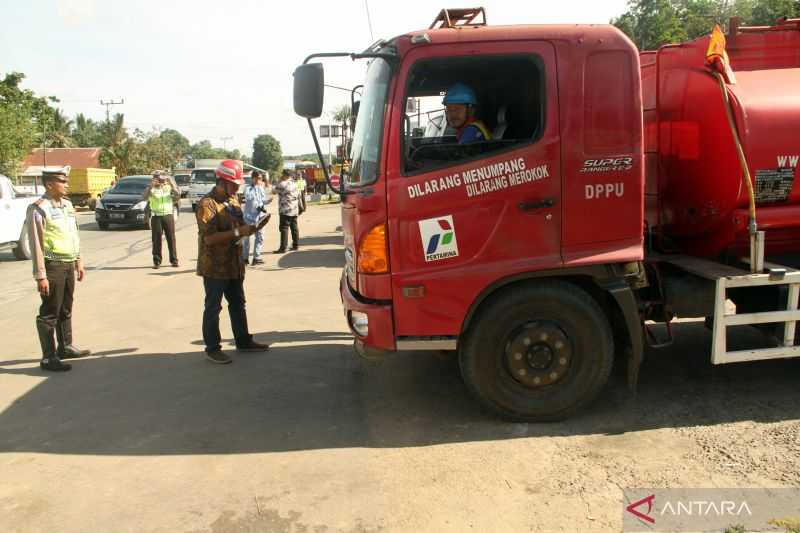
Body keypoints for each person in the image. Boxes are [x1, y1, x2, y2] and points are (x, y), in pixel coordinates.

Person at [195, 159, 270, 364]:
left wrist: (252, 228)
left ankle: (243, 340)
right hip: (215, 267)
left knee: (238, 303)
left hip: (234, 264)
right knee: (213, 307)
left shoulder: (233, 199)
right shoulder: (206, 205)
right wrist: (238, 231)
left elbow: (240, 226)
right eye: (234, 184)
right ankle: (212, 348)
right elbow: (209, 238)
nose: (238, 188)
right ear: (222, 181)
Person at [27, 165, 91, 372]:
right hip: (52, 266)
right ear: (49, 184)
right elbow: (36, 244)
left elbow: (73, 234)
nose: (66, 184)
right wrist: (40, 276)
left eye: (65, 181)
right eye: (62, 181)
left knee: (65, 308)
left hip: (68, 263)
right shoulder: (39, 208)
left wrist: (79, 260)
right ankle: (48, 357)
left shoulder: (67, 205)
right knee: (49, 312)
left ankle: (66, 346)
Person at [143, 170, 180, 269]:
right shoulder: (150, 189)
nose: (159, 180)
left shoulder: (168, 187)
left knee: (171, 239)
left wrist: (171, 183)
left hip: (168, 215)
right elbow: (144, 197)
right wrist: (151, 186)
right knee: (156, 240)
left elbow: (177, 196)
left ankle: (174, 260)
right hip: (156, 217)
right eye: (156, 178)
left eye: (160, 178)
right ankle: (157, 261)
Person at [241, 170, 271, 265]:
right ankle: (245, 258)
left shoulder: (261, 188)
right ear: (253, 178)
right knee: (246, 239)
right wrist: (258, 205)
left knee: (260, 237)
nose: (260, 180)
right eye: (258, 178)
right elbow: (249, 198)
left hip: (259, 217)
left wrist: (267, 201)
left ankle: (256, 258)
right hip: (249, 217)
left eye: (261, 178)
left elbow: (263, 200)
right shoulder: (247, 188)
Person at [273, 169, 300, 254]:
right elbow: (299, 195)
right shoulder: (295, 184)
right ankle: (296, 245)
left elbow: (273, 191)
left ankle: (283, 247)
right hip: (294, 209)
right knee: (294, 228)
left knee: (284, 228)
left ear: (284, 175)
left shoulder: (282, 184)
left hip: (285, 210)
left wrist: (279, 180)